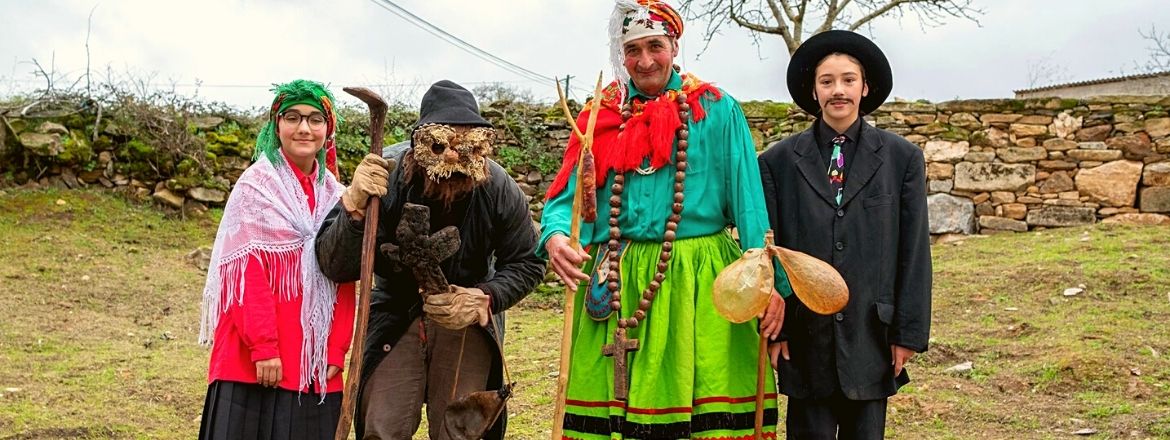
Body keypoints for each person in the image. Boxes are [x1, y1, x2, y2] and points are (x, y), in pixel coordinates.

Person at [540, 1, 790, 438]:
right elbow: (566, 195)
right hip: (616, 276)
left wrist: (768, 283)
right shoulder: (600, 116)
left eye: (655, 46)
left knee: (702, 400)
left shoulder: (715, 109)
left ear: (674, 46)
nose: (644, 60)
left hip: (696, 277)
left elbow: (749, 202)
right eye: (632, 50)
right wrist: (557, 234)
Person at [314, 80, 546, 440]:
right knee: (382, 427)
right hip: (395, 312)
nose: (452, 157)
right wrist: (353, 206)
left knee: (463, 431)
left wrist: (484, 298)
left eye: (463, 146)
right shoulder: (383, 175)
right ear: (419, 142)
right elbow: (334, 264)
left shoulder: (497, 186)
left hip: (465, 321)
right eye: (440, 145)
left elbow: (529, 261)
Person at [757, 30, 933, 439]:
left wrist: (907, 333)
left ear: (865, 87)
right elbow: (769, 252)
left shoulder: (901, 159)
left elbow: (913, 252)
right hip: (804, 336)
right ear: (813, 91)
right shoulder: (778, 162)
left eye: (848, 79)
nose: (839, 90)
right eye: (827, 81)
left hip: (872, 334)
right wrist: (777, 329)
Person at [197, 79, 356, 440]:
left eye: (316, 119)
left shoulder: (339, 197)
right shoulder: (256, 189)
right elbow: (244, 273)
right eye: (293, 117)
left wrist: (336, 348)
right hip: (252, 360)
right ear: (276, 125)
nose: (304, 128)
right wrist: (264, 347)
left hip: (315, 361)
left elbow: (344, 275)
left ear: (327, 130)